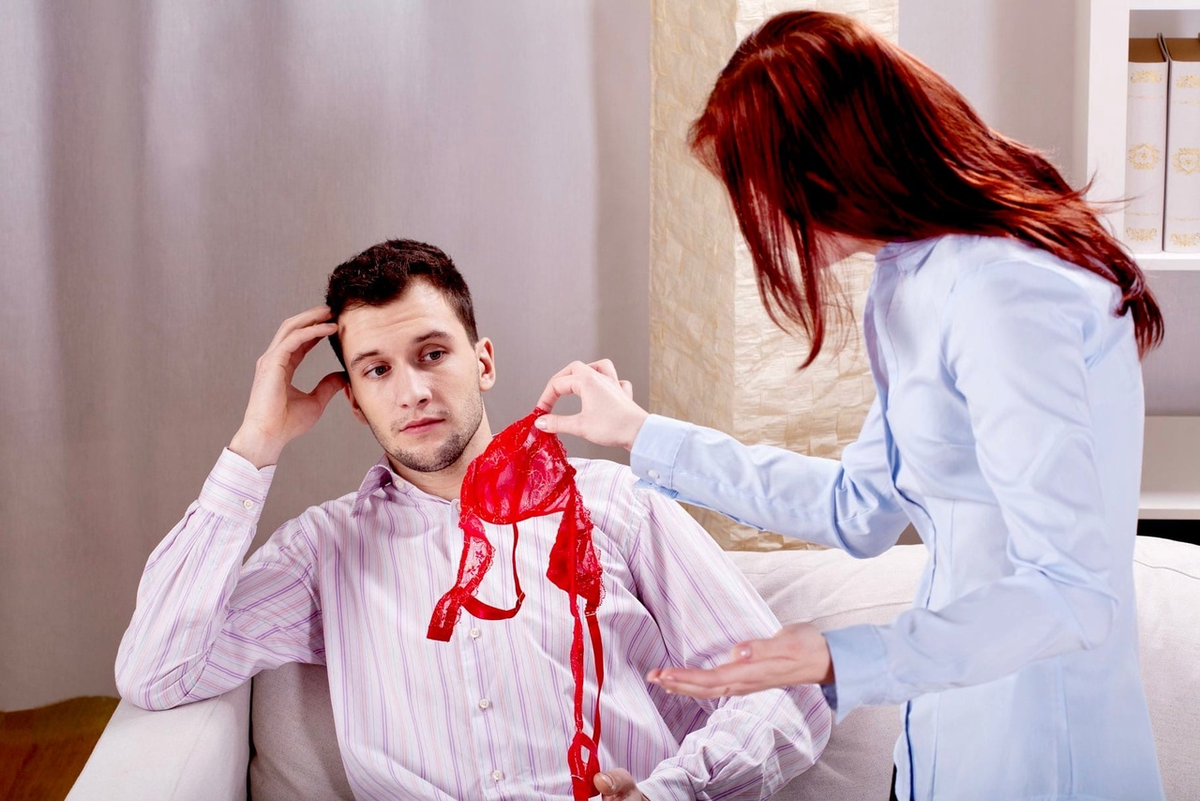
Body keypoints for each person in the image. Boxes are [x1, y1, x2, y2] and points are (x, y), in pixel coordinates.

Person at [534, 10, 1165, 801]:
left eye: (760, 189)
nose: (761, 222)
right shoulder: (908, 282)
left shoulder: (1001, 289)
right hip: (941, 735)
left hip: (1042, 752)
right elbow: (858, 508)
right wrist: (641, 433)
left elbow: (1073, 593)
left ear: (829, 165)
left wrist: (845, 657)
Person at [115, 238, 830, 801]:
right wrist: (254, 445)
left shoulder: (615, 503)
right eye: (377, 370)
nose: (413, 391)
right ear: (354, 400)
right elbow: (157, 671)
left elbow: (786, 690)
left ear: (483, 362)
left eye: (432, 354)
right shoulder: (323, 550)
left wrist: (666, 792)